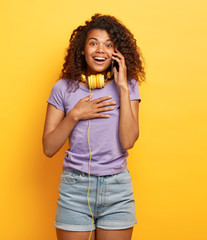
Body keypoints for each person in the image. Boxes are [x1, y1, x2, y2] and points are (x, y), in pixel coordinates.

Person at [42, 14, 145, 240]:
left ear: (116, 53)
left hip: (117, 188)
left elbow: (128, 141)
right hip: (74, 188)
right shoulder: (62, 88)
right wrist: (75, 115)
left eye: (108, 45)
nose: (100, 50)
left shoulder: (128, 86)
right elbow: (49, 148)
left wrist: (123, 88)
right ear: (82, 49)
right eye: (93, 43)